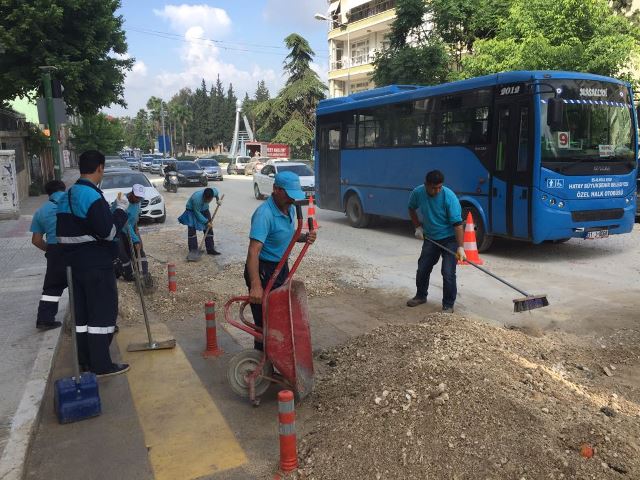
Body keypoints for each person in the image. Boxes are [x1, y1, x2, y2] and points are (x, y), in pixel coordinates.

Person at [56, 150, 130, 377]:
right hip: (96, 265)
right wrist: (120, 211)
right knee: (102, 316)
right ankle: (101, 365)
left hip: (73, 266)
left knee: (83, 317)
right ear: (100, 168)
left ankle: (85, 360)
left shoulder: (66, 196)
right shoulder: (92, 197)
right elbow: (108, 233)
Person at [245, 171, 317, 350]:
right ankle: (262, 361)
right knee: (265, 319)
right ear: (276, 189)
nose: (292, 200)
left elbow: (285, 234)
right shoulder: (264, 214)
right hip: (263, 269)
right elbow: (253, 252)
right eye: (288, 195)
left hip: (281, 266)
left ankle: (279, 355)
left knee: (280, 313)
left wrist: (302, 237)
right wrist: (255, 285)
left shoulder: (290, 208)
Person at [406, 169, 466, 313]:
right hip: (431, 238)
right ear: (426, 184)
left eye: (440, 187)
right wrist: (418, 227)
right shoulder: (418, 193)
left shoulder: (449, 197)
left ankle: (448, 305)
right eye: (434, 188)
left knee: (448, 272)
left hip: (450, 239)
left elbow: (458, 224)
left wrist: (461, 247)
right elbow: (411, 208)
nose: (437, 191)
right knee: (423, 268)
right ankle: (420, 296)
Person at [30, 180, 67, 330]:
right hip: (76, 248)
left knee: (52, 286)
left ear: (48, 193)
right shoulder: (72, 204)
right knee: (81, 283)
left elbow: (36, 240)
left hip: (54, 251)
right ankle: (83, 319)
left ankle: (45, 319)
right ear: (64, 189)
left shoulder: (41, 211)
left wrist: (50, 250)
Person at [113, 184, 147, 283]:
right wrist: (135, 239)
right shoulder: (123, 202)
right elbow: (125, 224)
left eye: (140, 197)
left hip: (130, 229)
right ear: (132, 193)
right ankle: (128, 275)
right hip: (117, 230)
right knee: (123, 254)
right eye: (137, 197)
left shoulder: (139, 201)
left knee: (140, 250)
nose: (138, 199)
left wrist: (137, 231)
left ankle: (144, 274)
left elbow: (135, 218)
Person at [178, 187, 221, 255]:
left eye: (209, 200)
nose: (207, 201)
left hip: (205, 209)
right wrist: (206, 222)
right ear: (203, 196)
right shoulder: (196, 199)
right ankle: (193, 251)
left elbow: (217, 194)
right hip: (192, 211)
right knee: (192, 230)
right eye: (206, 200)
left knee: (209, 229)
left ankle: (210, 249)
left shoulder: (213, 192)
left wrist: (218, 200)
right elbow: (197, 213)